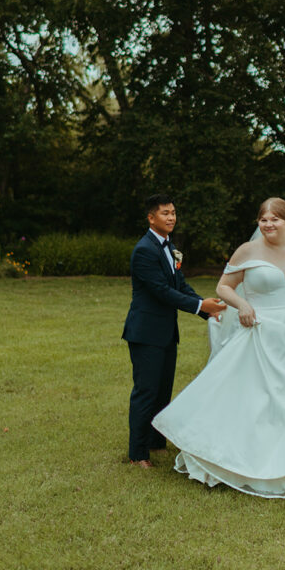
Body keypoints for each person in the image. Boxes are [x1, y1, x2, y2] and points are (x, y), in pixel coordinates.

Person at [153, 197, 285, 497]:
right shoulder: (247, 250)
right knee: (260, 402)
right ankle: (254, 459)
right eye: (263, 219)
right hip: (263, 331)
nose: (268, 224)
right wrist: (242, 304)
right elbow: (223, 287)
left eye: (275, 219)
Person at [122, 193, 225, 469]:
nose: (171, 218)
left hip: (166, 333)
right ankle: (137, 453)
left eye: (173, 213)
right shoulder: (144, 250)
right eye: (165, 213)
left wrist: (207, 310)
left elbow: (179, 285)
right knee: (146, 391)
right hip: (145, 333)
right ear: (151, 217)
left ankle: (157, 443)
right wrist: (199, 305)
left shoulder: (171, 248)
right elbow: (162, 292)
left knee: (163, 390)